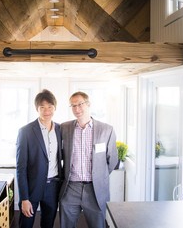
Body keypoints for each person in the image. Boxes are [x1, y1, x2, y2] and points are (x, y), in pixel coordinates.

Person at [59, 91, 118, 228]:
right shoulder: (64, 128)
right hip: (71, 187)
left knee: (97, 225)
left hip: (95, 189)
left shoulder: (106, 130)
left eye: (80, 104)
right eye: (73, 106)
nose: (76, 109)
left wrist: (99, 176)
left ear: (88, 104)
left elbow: (112, 159)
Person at [16, 89, 62, 228]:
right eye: (42, 107)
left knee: (48, 224)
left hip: (53, 187)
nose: (47, 111)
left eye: (50, 107)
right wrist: (24, 198)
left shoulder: (61, 129)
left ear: (55, 108)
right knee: (26, 224)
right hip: (32, 188)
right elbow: (21, 168)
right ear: (37, 109)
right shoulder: (26, 131)